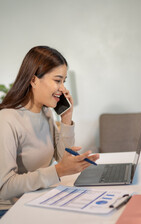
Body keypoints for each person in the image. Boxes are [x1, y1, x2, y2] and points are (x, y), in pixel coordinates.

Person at [0, 46, 99, 217]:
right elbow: (4, 187)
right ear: (34, 80)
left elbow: (62, 158)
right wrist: (57, 171)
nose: (62, 88)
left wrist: (66, 118)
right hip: (10, 211)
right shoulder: (7, 119)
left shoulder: (45, 113)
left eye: (64, 81)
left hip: (36, 199)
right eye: (57, 80)